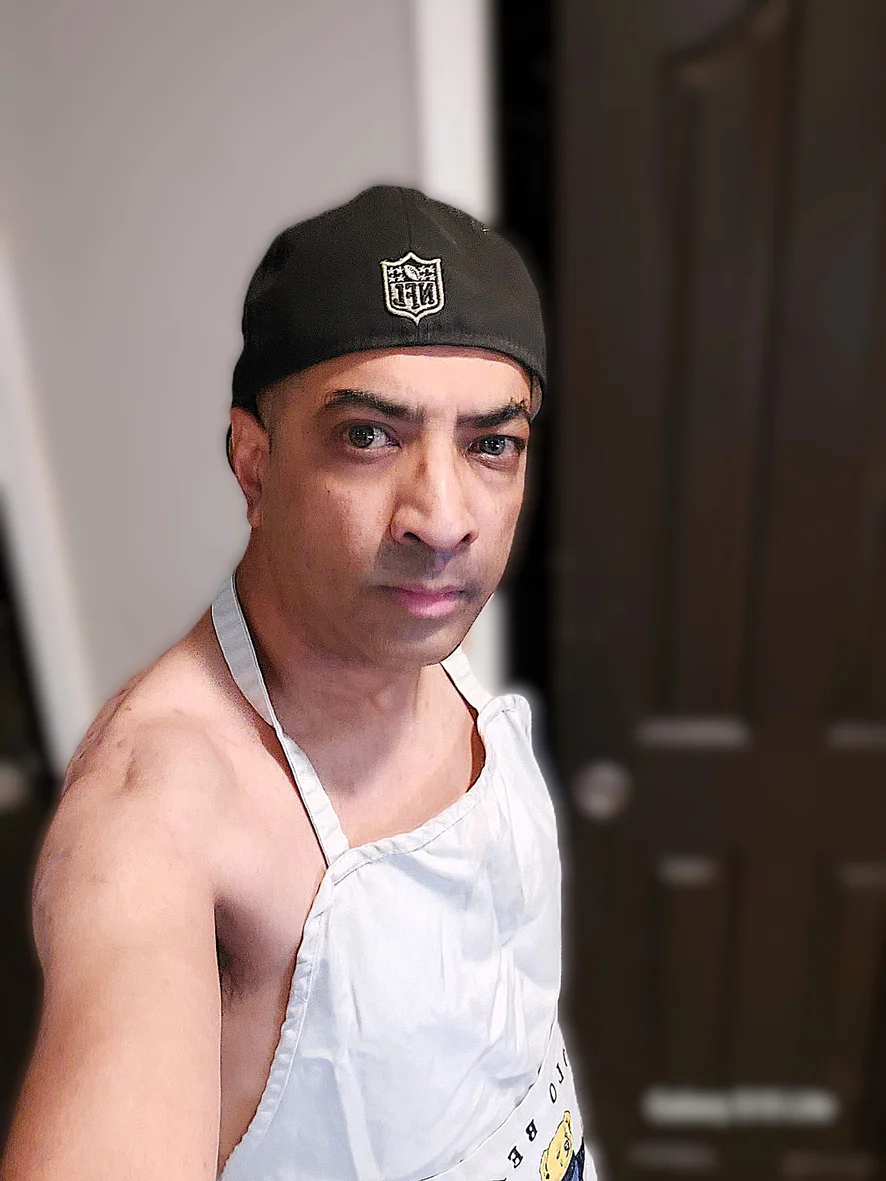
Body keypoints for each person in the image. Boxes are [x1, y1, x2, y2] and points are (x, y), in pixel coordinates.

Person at [0, 186, 591, 1181]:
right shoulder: (159, 813)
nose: (443, 517)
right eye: (368, 436)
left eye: (491, 443)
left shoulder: (411, 628)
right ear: (254, 461)